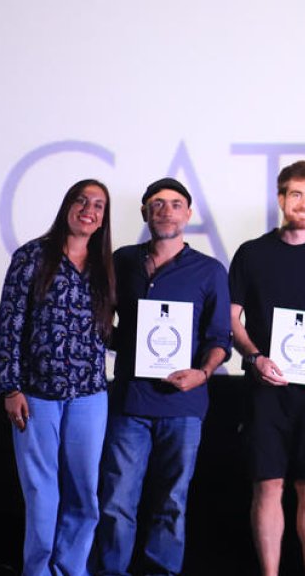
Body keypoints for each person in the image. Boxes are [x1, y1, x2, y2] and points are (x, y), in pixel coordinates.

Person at [95, 177, 232, 576]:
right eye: (157, 204)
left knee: (172, 502)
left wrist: (203, 373)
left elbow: (219, 337)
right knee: (116, 500)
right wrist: (120, 340)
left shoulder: (209, 270)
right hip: (130, 402)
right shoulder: (122, 261)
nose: (166, 211)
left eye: (175, 204)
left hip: (183, 404)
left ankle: (161, 572)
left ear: (188, 214)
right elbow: (105, 319)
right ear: (145, 213)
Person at [229, 161, 305, 576]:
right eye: (296, 194)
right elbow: (231, 318)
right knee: (268, 486)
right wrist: (254, 357)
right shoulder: (251, 253)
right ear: (281, 198)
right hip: (265, 390)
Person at [0, 179, 114, 576]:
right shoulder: (32, 256)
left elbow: (107, 330)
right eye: (81, 200)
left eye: (98, 205)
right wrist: (10, 387)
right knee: (41, 493)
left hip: (90, 395)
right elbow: (10, 324)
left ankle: (70, 569)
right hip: (36, 394)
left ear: (103, 219)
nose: (89, 210)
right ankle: (39, 571)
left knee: (84, 494)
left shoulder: (104, 265)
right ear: (67, 206)